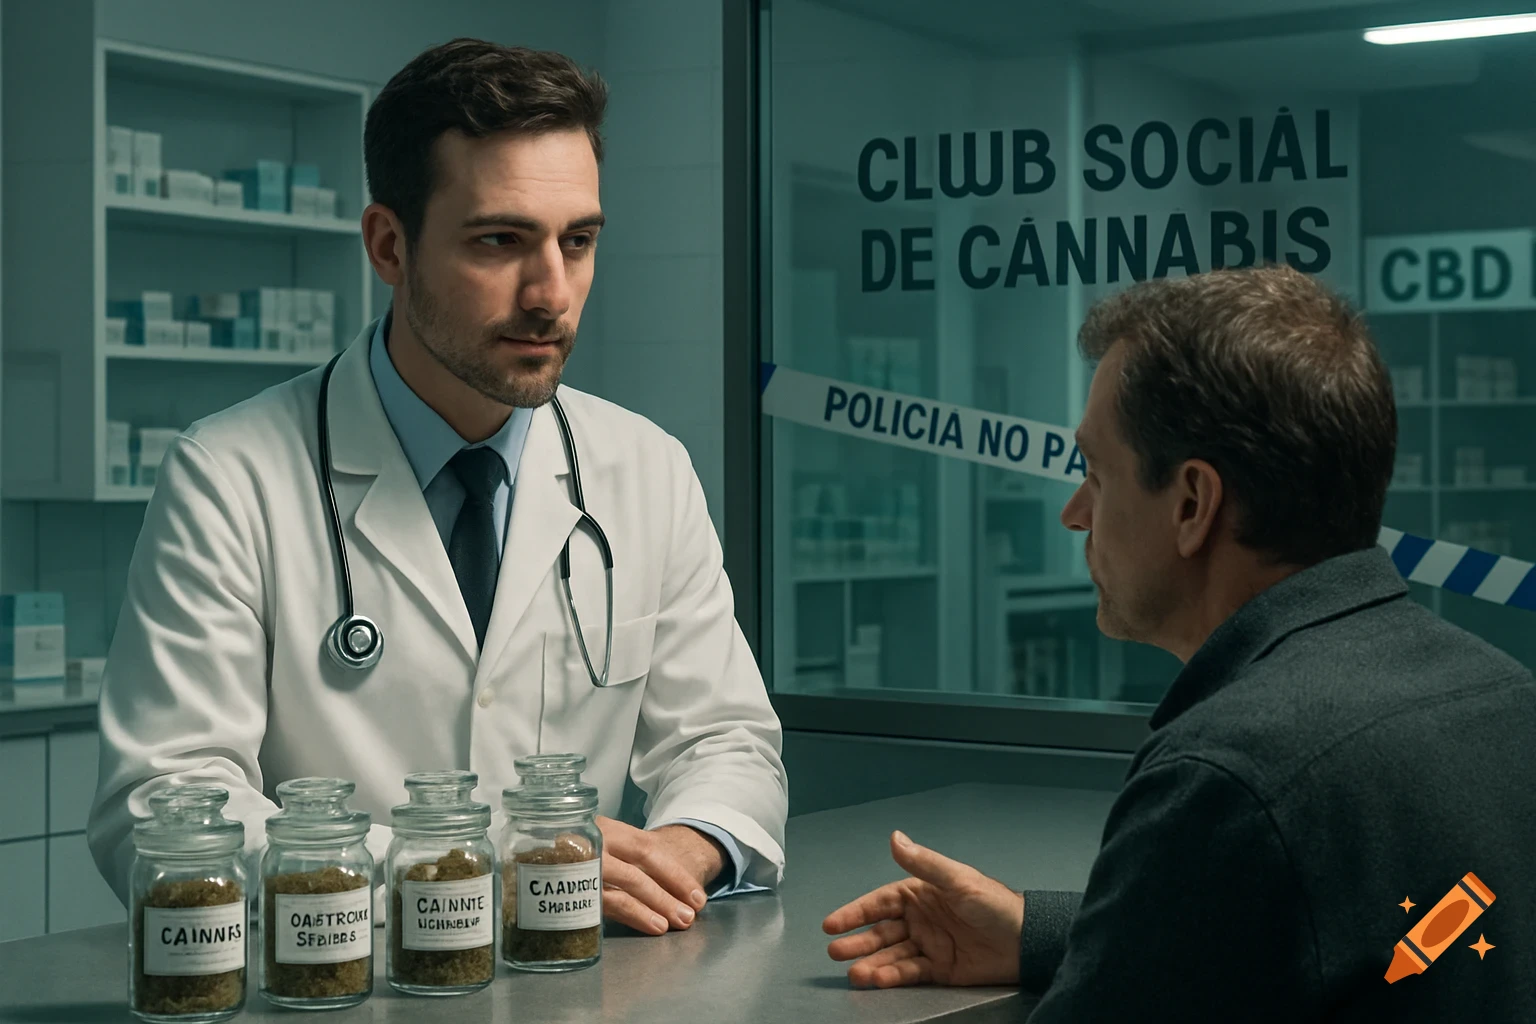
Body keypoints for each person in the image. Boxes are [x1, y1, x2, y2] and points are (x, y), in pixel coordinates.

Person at [87, 39, 787, 936]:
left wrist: (681, 853)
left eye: (578, 242)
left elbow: (724, 739)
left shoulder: (645, 468)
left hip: (582, 986)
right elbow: (161, 805)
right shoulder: (230, 476)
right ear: (389, 244)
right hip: (343, 988)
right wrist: (465, 874)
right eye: (500, 241)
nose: (551, 293)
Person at [822, 265, 1536, 1021]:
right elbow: (1370, 942)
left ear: (1192, 503)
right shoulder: (1502, 698)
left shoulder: (1234, 775)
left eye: (1096, 474)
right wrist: (1043, 933)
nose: (1074, 513)